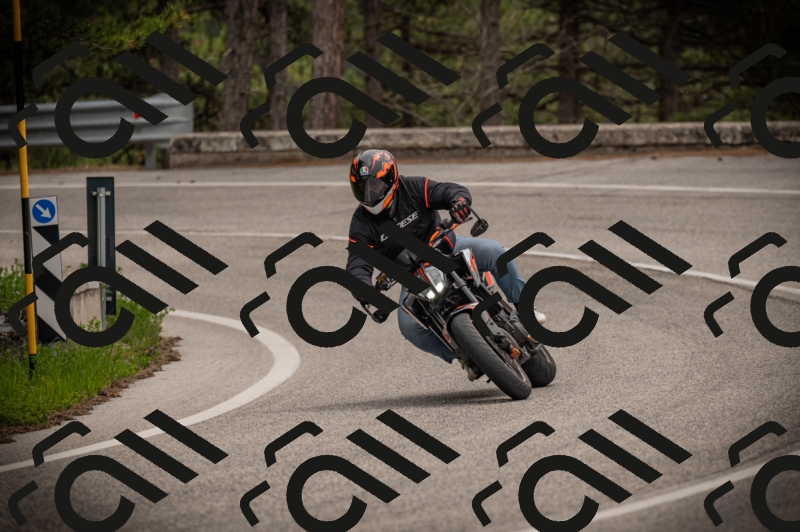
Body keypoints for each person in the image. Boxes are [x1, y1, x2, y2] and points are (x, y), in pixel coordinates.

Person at [345, 149, 545, 379]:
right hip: (412, 275)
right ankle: (464, 354)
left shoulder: (414, 187)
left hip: (446, 247)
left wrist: (459, 202)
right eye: (362, 187)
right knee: (409, 328)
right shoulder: (360, 223)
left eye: (375, 185)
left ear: (391, 179)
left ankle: (524, 309)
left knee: (496, 253)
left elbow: (449, 190)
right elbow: (357, 263)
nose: (369, 193)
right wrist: (362, 287)